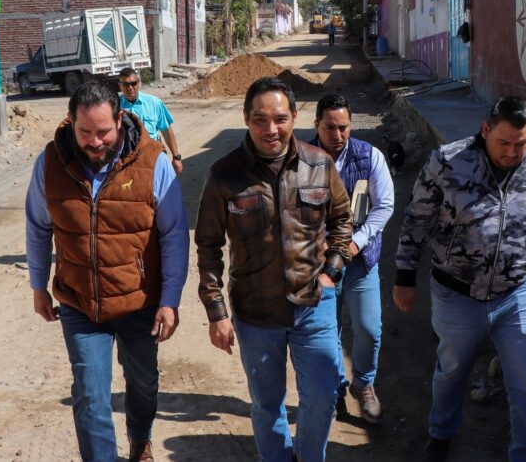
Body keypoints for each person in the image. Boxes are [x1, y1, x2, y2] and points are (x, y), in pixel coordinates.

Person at [392, 96, 526, 462]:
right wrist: (405, 275)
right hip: (457, 292)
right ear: (485, 130)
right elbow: (417, 219)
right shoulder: (448, 162)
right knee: (452, 372)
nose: (513, 152)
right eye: (504, 142)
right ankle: (441, 432)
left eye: (522, 143)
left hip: (518, 292)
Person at [26, 80, 189, 462]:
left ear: (120, 120)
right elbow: (38, 226)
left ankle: (139, 439)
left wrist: (170, 300)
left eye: (104, 132)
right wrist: (38, 285)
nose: (95, 142)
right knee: (89, 394)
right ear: (70, 122)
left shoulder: (153, 162)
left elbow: (174, 235)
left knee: (143, 385)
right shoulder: (50, 164)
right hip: (80, 303)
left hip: (139, 302)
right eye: (85, 132)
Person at [195, 76, 353, 462]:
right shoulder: (225, 174)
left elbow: (342, 221)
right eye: (260, 120)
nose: (271, 129)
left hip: (314, 306)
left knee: (323, 396)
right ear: (246, 119)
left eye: (280, 119)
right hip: (256, 314)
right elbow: (208, 246)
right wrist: (217, 312)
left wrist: (331, 270)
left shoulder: (320, 165)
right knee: (267, 405)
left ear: (295, 117)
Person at [309, 94, 394, 422]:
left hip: (360, 262)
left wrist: (357, 242)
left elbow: (384, 206)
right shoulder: (301, 159)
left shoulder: (369, 156)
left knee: (369, 329)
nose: (338, 134)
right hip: (318, 266)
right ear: (316, 124)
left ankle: (364, 383)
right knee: (327, 332)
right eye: (330, 127)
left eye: (343, 127)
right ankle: (335, 389)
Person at [118, 67, 184, 174]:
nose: (130, 87)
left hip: (154, 156)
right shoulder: (114, 107)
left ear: (139, 83)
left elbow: (166, 131)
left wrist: (176, 157)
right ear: (120, 85)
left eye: (133, 83)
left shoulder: (155, 103)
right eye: (126, 84)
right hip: (128, 161)